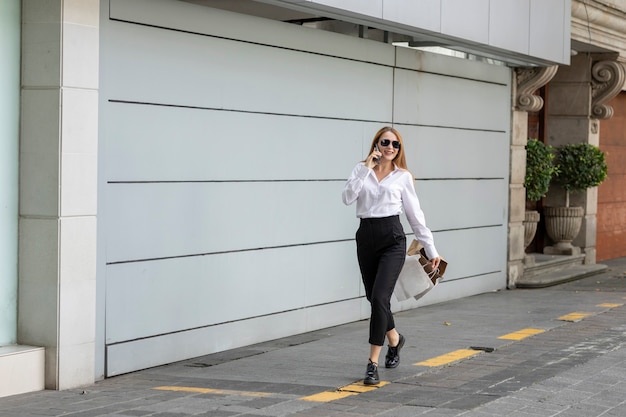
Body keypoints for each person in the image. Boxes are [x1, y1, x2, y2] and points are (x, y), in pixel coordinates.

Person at [341, 126, 441, 385]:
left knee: (379, 296)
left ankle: (372, 363)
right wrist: (366, 168)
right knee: (373, 297)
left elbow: (415, 215)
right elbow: (347, 198)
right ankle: (395, 339)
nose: (390, 148)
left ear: (399, 149)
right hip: (366, 236)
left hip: (392, 239)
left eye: (395, 145)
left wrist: (431, 250)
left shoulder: (403, 177)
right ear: (376, 144)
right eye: (385, 142)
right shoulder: (361, 169)